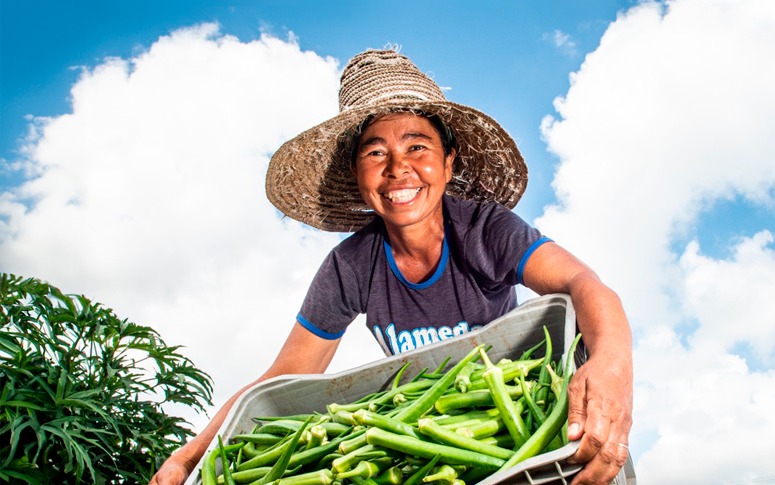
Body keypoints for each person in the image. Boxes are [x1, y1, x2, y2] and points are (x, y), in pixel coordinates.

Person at [150, 49, 632, 485]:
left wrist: (611, 367)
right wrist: (187, 459)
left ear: (448, 161)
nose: (397, 167)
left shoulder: (485, 230)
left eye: (417, 146)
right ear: (357, 174)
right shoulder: (350, 267)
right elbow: (280, 381)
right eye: (375, 151)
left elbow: (583, 283)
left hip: (510, 423)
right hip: (419, 442)